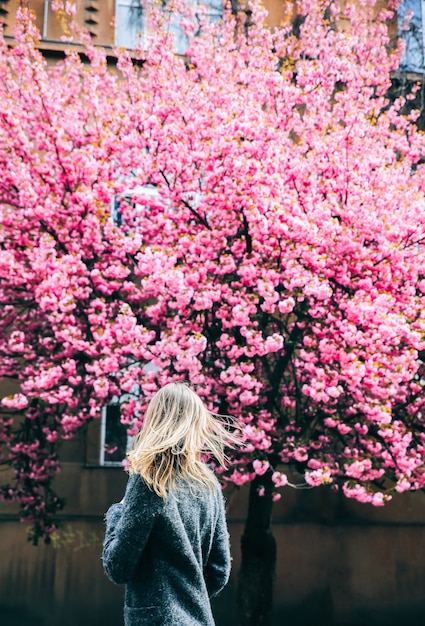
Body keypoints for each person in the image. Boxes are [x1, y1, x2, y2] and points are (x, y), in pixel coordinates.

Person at [102, 381, 238, 626]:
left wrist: (117, 511)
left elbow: (118, 566)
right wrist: (188, 599)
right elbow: (219, 571)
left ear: (155, 421)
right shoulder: (209, 486)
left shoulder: (149, 481)